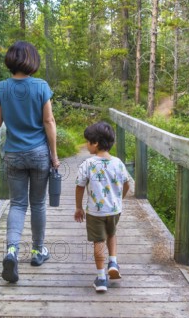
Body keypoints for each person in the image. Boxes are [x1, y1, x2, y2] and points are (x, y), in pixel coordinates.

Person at [0, 41, 60, 283]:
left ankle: (11, 251)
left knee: (17, 204)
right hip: (39, 153)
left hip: (13, 155)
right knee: (38, 203)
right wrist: (54, 155)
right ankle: (38, 251)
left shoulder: (1, 87)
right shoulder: (41, 86)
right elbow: (49, 122)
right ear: (32, 61)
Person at [74, 121, 134, 292]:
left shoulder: (87, 164)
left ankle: (101, 278)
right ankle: (113, 262)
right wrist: (119, 199)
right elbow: (127, 184)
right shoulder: (118, 163)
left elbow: (79, 186)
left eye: (88, 141)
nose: (86, 145)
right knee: (112, 233)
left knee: (98, 241)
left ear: (96, 143)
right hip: (115, 209)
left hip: (95, 212)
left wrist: (78, 207)